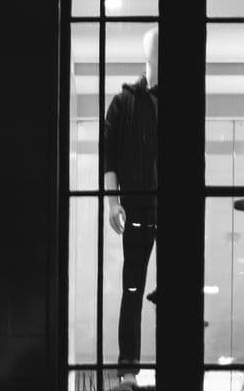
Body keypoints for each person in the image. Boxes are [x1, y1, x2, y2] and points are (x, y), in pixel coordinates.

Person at [102, 25, 159, 388]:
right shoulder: (124, 103)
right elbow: (108, 154)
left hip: (169, 208)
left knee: (171, 291)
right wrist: (113, 201)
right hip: (137, 208)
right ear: (148, 52)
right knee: (133, 288)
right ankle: (127, 369)